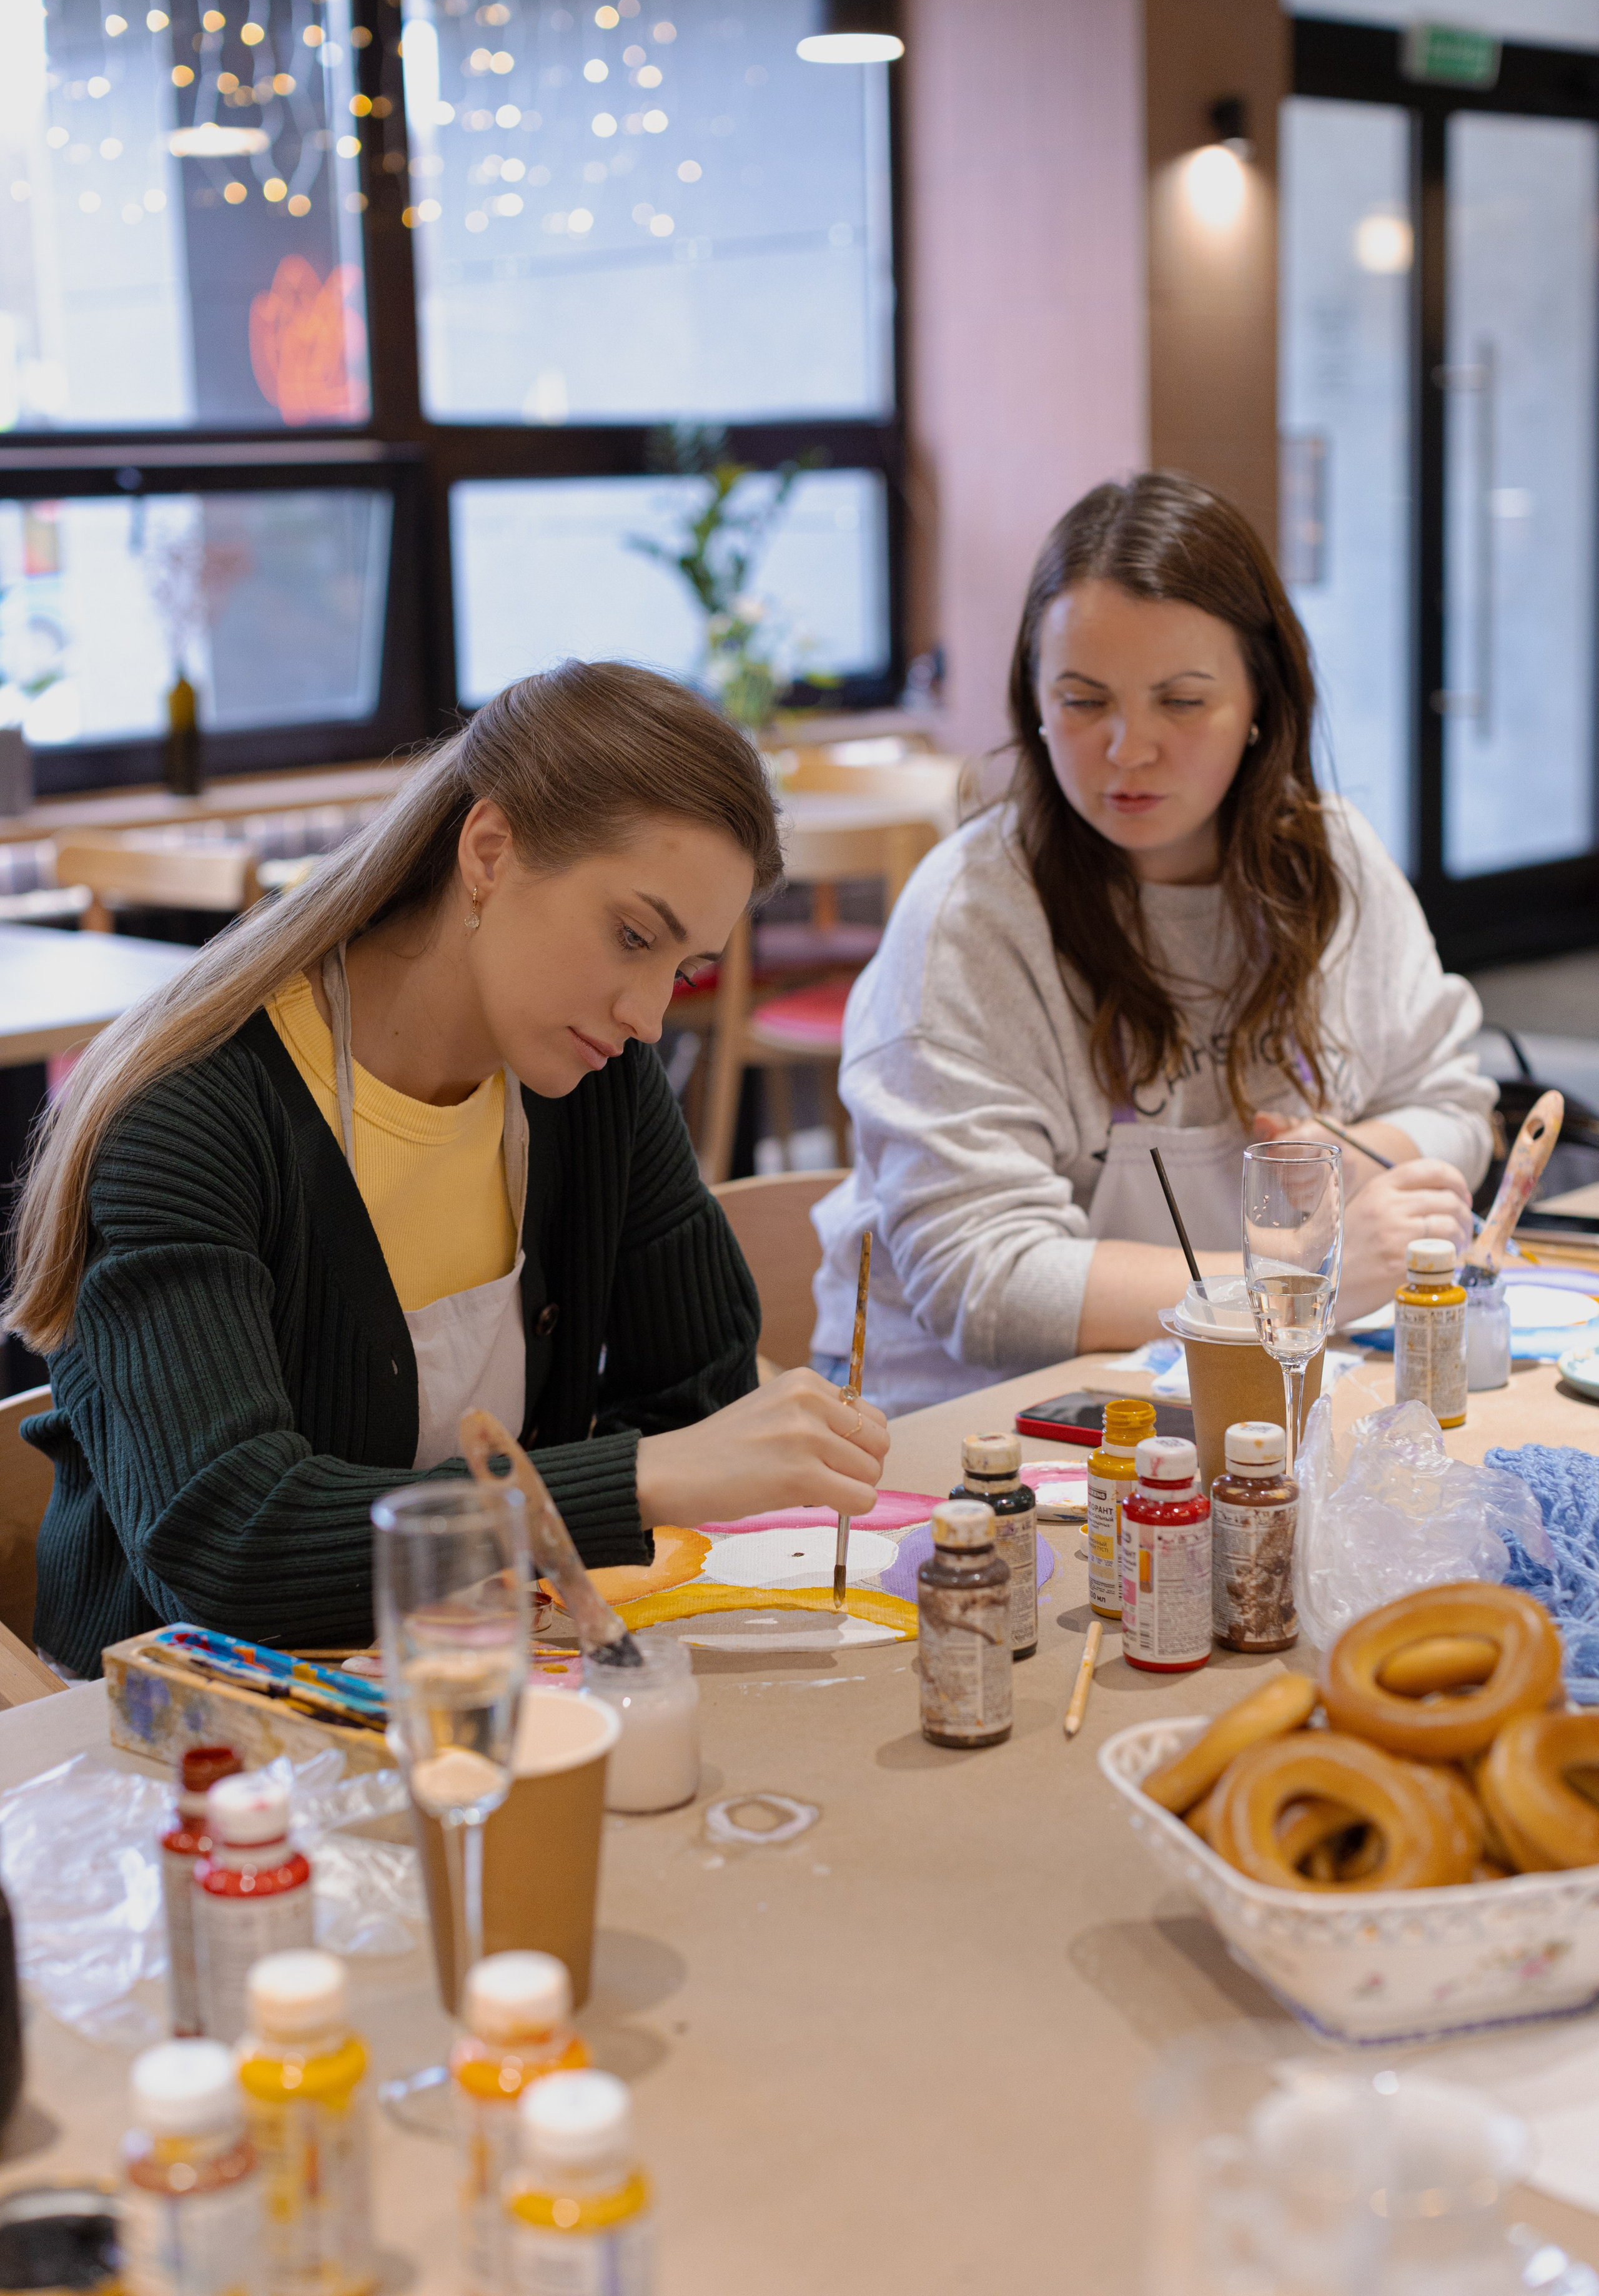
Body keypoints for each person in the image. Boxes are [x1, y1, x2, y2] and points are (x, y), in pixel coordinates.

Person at [7, 663, 888, 1677]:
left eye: (680, 968)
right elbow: (232, 1546)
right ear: (490, 852)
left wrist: (669, 1469)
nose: (648, 1014)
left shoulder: (590, 1081)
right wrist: (635, 1479)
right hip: (184, 1742)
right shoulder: (190, 1114)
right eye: (632, 936)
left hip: (471, 1683)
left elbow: (697, 1396)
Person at [811, 472, 1494, 1414]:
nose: (1129, 749)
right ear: (1034, 701)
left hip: (1240, 1403)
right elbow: (987, 1282)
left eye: (1181, 702)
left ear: (1261, 701)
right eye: (1084, 701)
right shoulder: (973, 912)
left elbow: (1454, 1101)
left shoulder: (1332, 862)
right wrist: (1288, 1268)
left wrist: (1329, 1160)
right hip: (980, 1437)